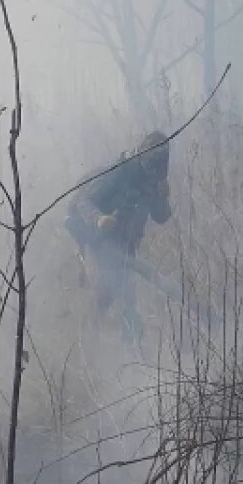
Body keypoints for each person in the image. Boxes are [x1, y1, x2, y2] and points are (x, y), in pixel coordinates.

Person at [64, 130, 172, 345]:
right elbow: (83, 202)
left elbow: (160, 216)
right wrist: (99, 219)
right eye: (152, 160)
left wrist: (162, 196)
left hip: (125, 241)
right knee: (122, 291)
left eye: (159, 162)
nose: (154, 167)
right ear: (143, 154)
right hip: (100, 238)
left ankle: (91, 334)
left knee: (110, 292)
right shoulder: (119, 172)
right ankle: (125, 347)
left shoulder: (154, 182)